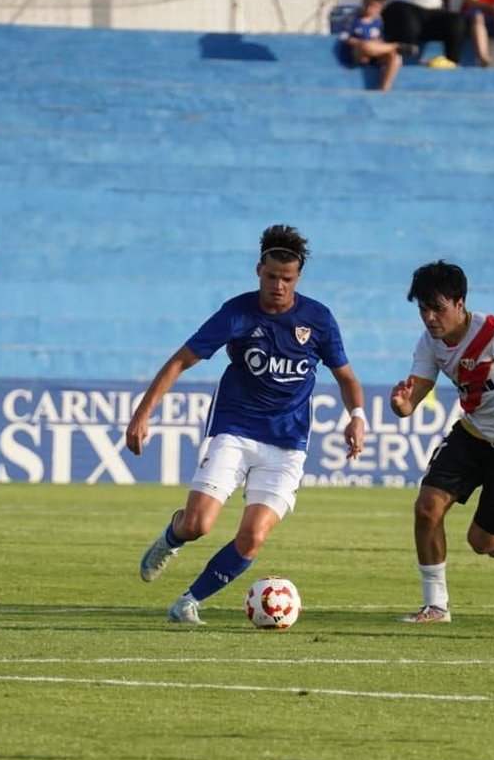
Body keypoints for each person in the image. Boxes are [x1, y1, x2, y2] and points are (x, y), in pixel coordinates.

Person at [126, 225, 367, 625]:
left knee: (253, 536)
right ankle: (172, 536)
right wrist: (142, 413)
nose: (277, 285)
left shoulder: (318, 319)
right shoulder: (237, 313)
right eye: (271, 276)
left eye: (286, 279)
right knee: (198, 524)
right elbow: (179, 361)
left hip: (288, 443)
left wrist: (356, 418)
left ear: (298, 278)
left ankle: (188, 602)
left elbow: (347, 378)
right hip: (234, 430)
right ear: (259, 270)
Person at [389, 261, 494, 624]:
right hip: (473, 434)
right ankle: (436, 606)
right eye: (423, 308)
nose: (430, 317)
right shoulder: (430, 343)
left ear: (460, 303)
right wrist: (401, 403)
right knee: (426, 508)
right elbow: (413, 397)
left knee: (483, 544)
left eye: (437, 307)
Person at [338, 0, 411, 92]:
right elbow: (345, 37)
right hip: (358, 51)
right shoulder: (353, 18)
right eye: (367, 5)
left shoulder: (378, 20)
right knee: (367, 46)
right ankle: (396, 46)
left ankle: (384, 90)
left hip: (374, 52)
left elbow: (379, 38)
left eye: (374, 7)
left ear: (380, 8)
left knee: (394, 58)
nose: (369, 9)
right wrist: (361, 42)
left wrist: (378, 43)